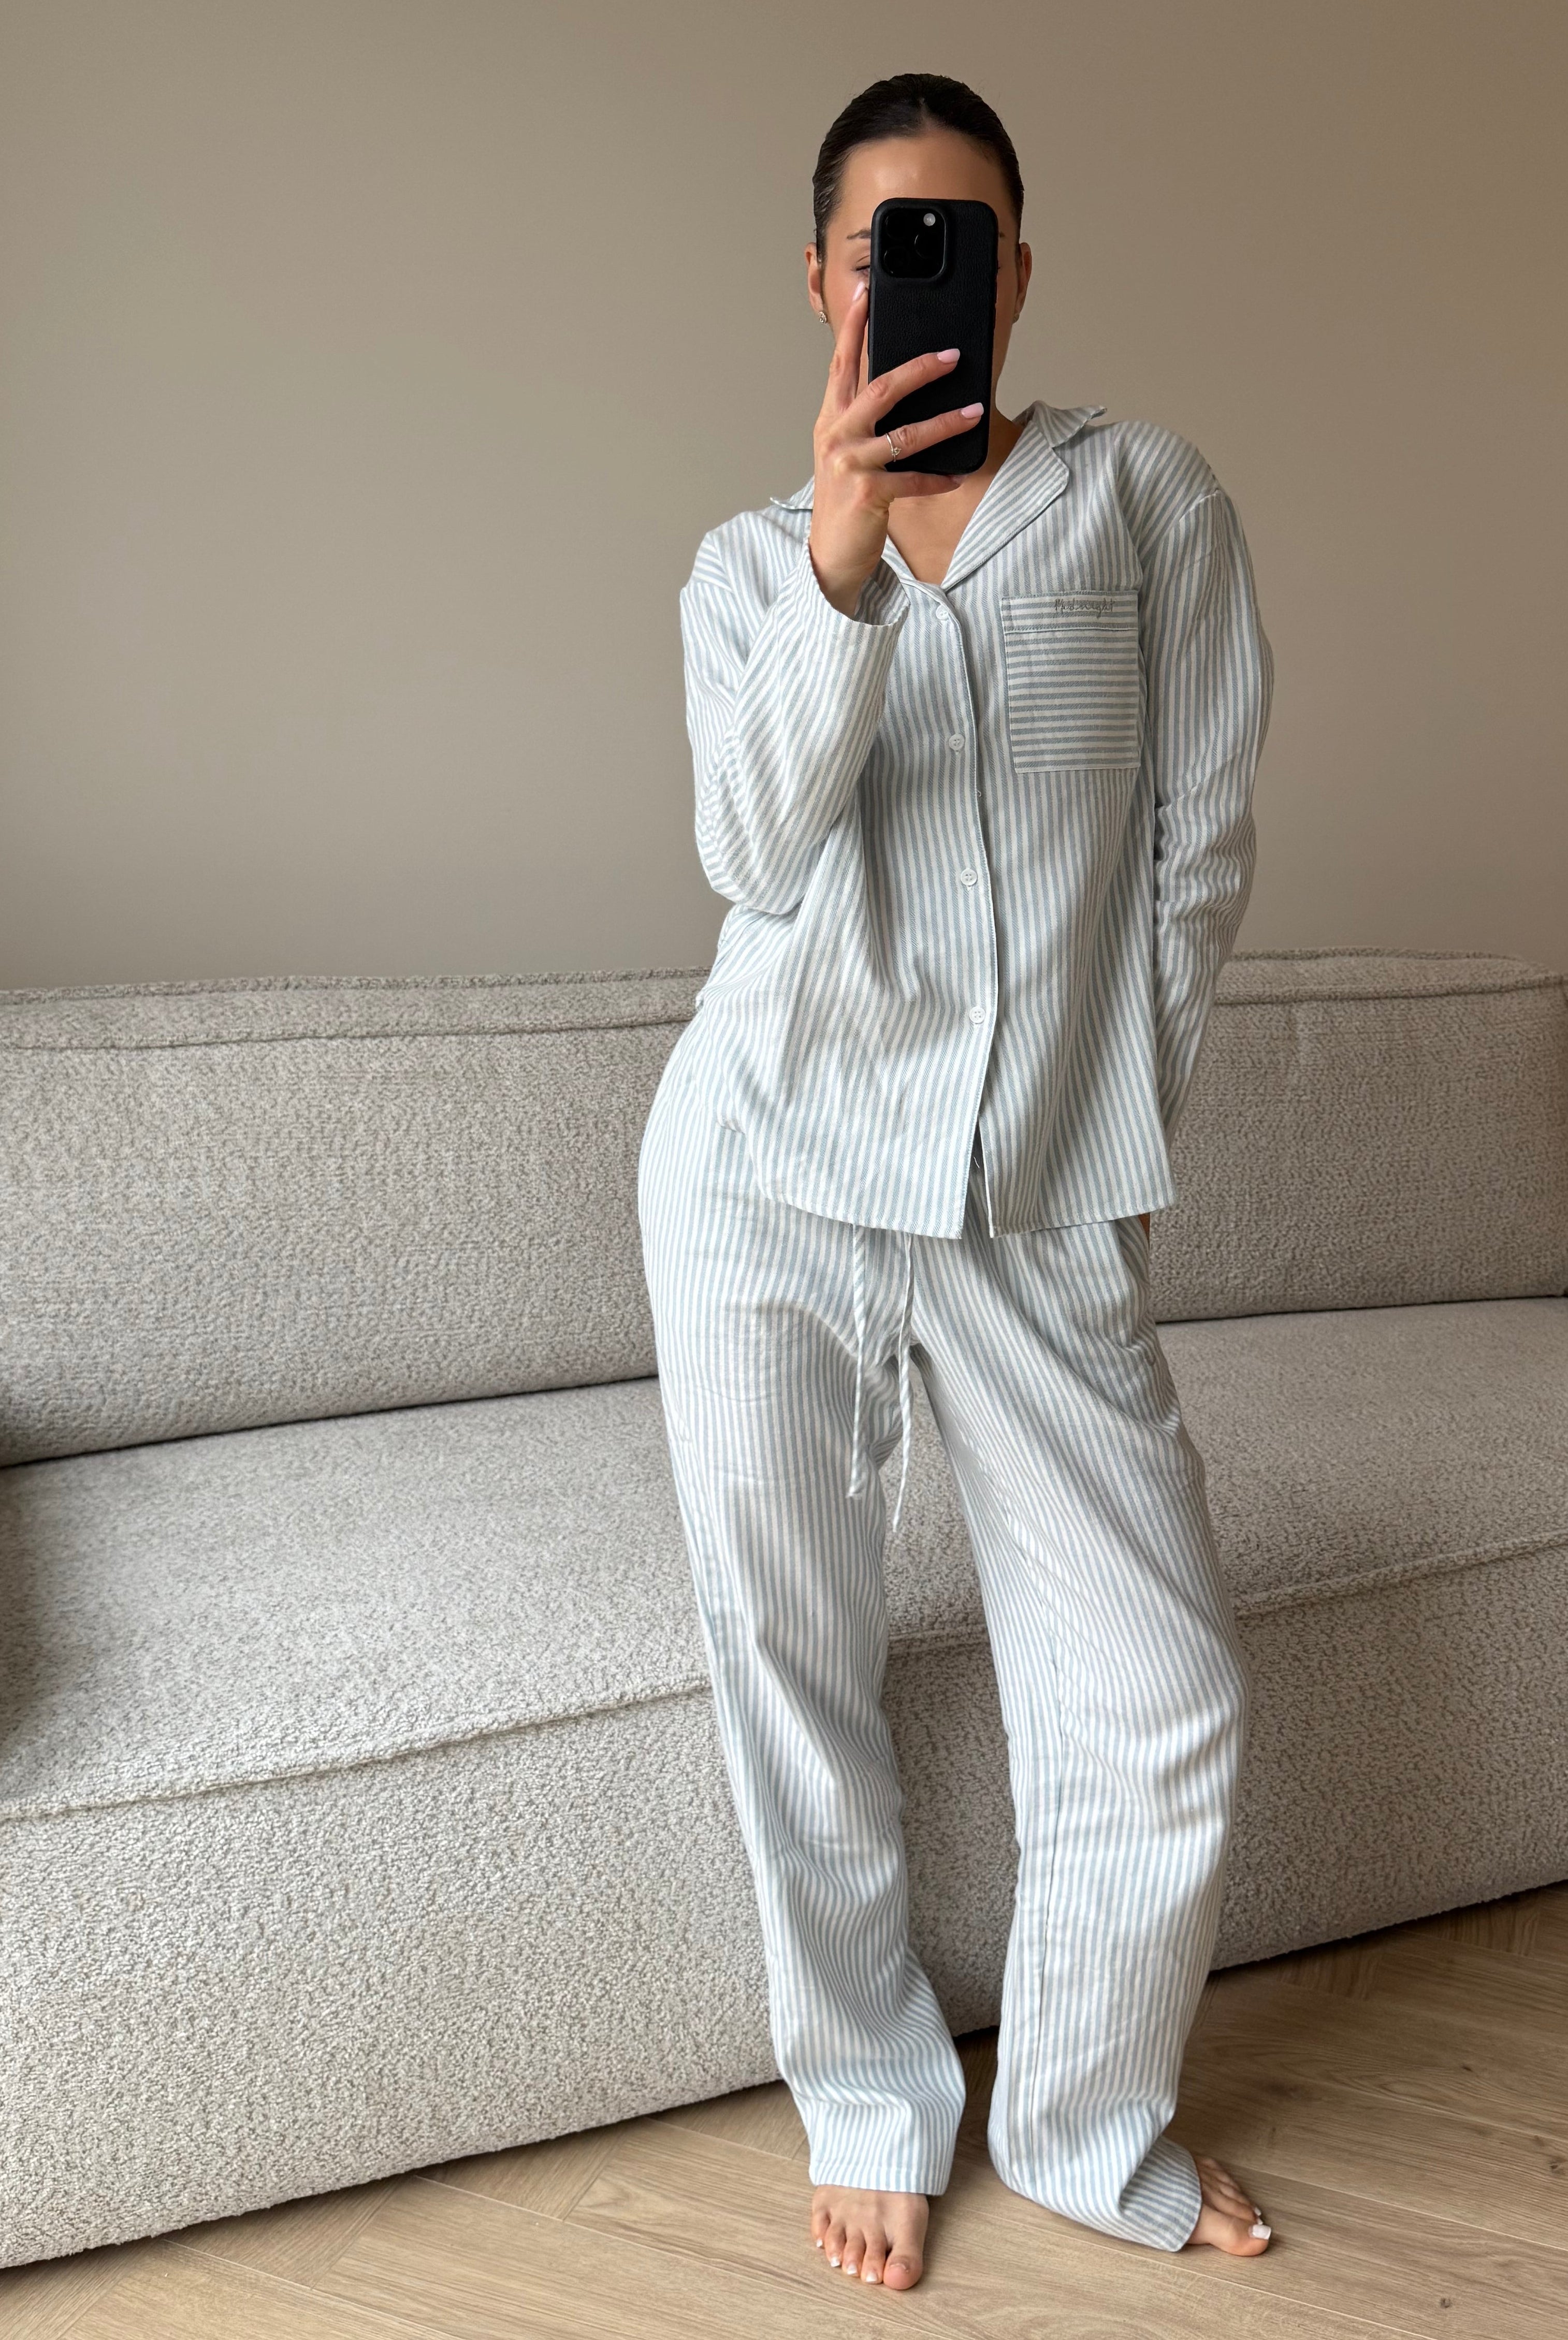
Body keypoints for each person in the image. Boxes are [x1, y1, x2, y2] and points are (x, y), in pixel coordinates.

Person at [637, 71, 1275, 2294]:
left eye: (966, 235)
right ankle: (872, 2094)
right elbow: (750, 856)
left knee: (1157, 1680)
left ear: (1014, 274)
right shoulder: (744, 566)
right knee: (787, 1647)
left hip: (1026, 1197)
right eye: (881, 238)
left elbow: (1196, 851)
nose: (925, 269)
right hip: (765, 1168)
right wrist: (835, 566)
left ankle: (1091, 2115)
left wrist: (1099, 1119)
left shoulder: (1141, 504)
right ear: (820, 283)